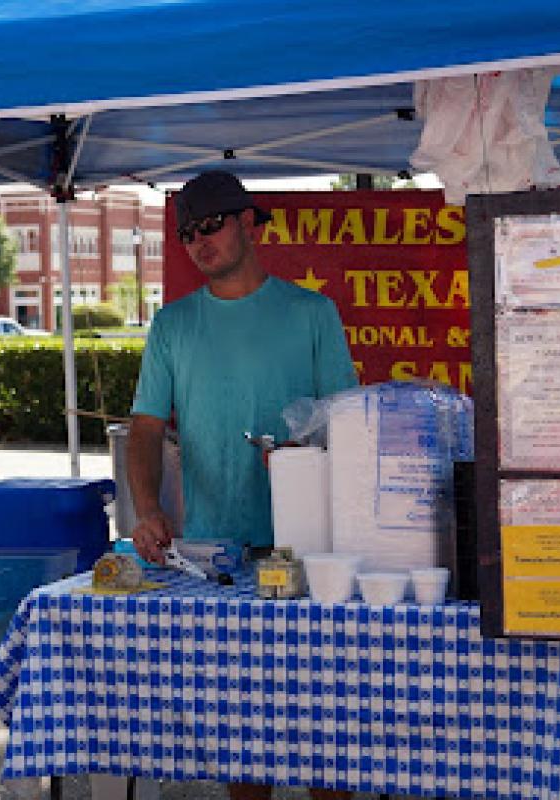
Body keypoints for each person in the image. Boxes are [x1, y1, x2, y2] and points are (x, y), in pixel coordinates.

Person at [127, 170, 358, 800]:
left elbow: (348, 424)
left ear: (248, 224)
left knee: (322, 735)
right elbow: (145, 427)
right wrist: (146, 508)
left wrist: (303, 455)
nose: (200, 241)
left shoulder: (312, 313)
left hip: (309, 554)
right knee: (244, 739)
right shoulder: (172, 325)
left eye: (212, 225)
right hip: (214, 560)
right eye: (187, 233)